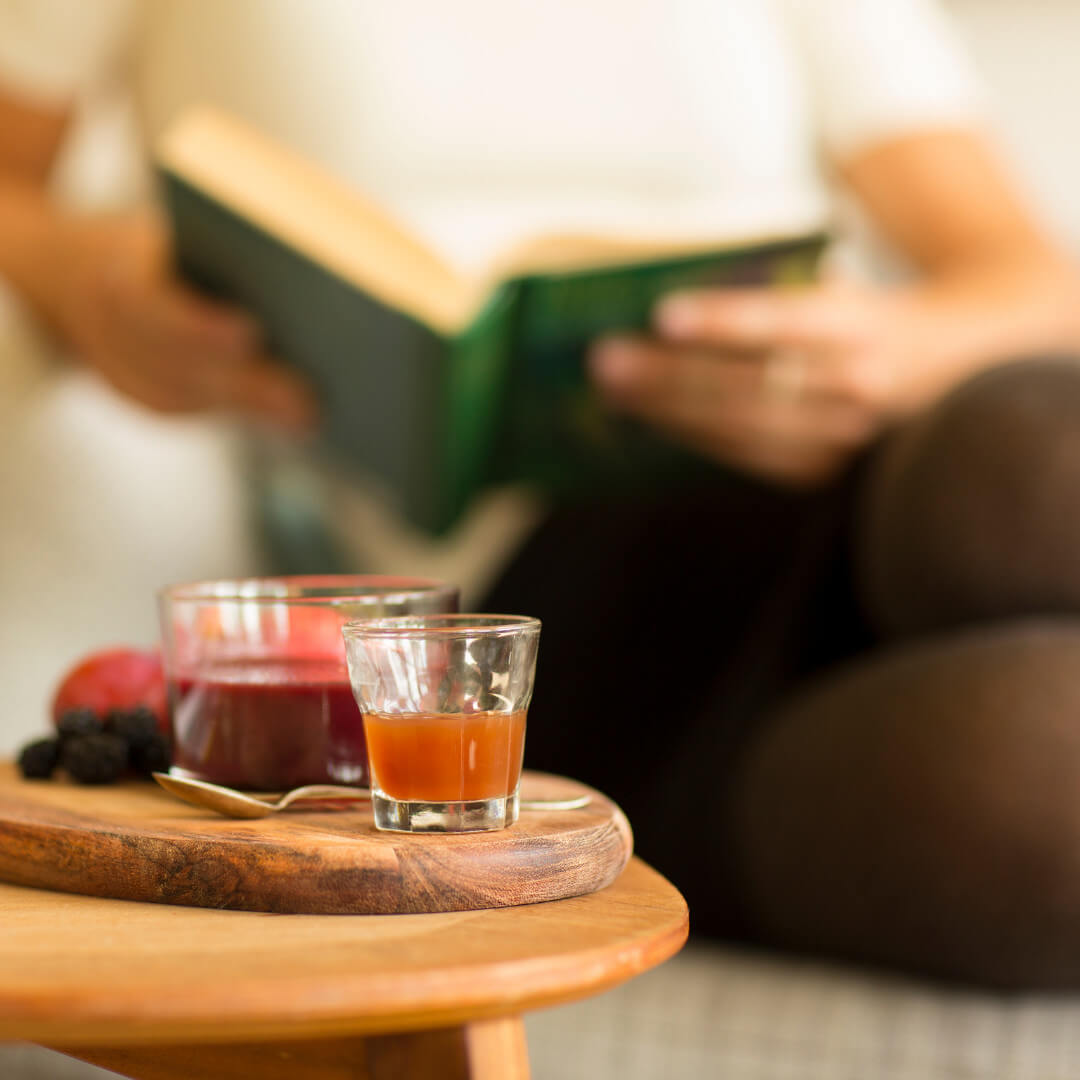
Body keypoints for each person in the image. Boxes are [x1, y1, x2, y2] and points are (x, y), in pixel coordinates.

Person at [3, 0, 1080, 989]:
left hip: (842, 480)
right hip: (530, 624)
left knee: (1028, 460)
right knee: (1030, 775)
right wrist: (81, 273)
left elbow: (1034, 279)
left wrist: (892, 350)